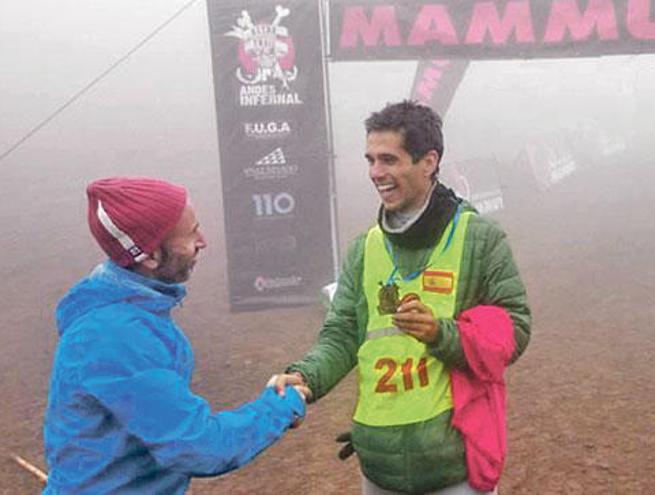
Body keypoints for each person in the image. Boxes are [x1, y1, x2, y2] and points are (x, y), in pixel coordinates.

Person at [275, 101, 531, 494]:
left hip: (454, 466)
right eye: (371, 160)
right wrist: (306, 376)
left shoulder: (480, 239)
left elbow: (515, 330)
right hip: (378, 464)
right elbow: (342, 333)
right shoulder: (365, 248)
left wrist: (440, 334)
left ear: (428, 161)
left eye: (389, 159)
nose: (376, 173)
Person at [43, 177, 306, 494]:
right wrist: (281, 406)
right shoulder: (115, 336)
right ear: (150, 256)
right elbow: (200, 447)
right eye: (191, 234)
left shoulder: (130, 311)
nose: (203, 241)